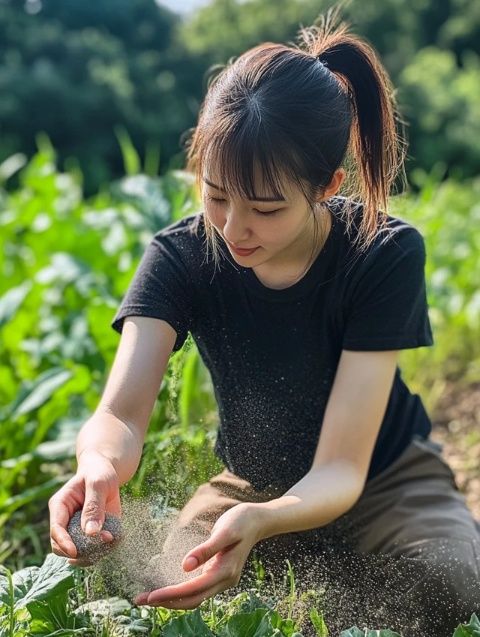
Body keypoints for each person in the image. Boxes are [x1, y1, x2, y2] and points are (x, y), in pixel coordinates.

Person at [49, 8, 480, 636]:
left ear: (326, 185)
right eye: (217, 195)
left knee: (453, 584)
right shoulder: (180, 255)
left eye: (267, 208)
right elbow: (119, 415)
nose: (233, 228)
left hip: (384, 479)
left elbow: (341, 468)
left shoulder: (382, 253)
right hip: (251, 485)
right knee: (160, 585)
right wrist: (99, 465)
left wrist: (269, 522)